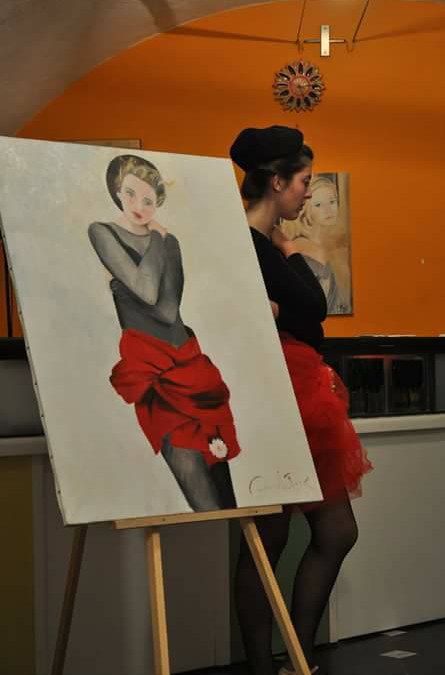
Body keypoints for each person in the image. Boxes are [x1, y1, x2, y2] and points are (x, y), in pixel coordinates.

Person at [230, 126, 372, 675]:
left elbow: (309, 310)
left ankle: (297, 655)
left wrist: (285, 251)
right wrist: (287, 261)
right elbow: (311, 307)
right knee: (268, 538)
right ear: (276, 182)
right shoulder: (245, 244)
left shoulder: (267, 244)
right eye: (303, 181)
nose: (307, 192)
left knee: (334, 532)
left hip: (301, 393)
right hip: (272, 395)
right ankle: (270, 665)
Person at [88, 154, 239, 511]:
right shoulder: (102, 232)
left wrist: (159, 242)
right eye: (130, 194)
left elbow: (166, 309)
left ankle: (235, 543)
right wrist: (158, 238)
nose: (139, 207)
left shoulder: (170, 242)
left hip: (190, 365)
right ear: (116, 191)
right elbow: (146, 291)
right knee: (195, 483)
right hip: (152, 367)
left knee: (223, 485)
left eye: (148, 199)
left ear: (159, 201)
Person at [280, 175, 350, 314]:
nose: (328, 210)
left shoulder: (328, 246)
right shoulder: (303, 247)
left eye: (332, 201)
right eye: (318, 205)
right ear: (305, 210)